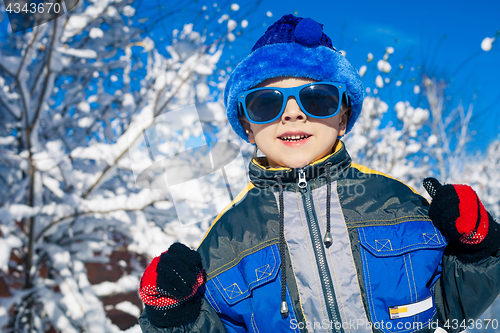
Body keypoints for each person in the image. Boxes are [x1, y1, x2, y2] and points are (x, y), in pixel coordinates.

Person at [138, 14, 500, 333]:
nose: (293, 113)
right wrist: (176, 318)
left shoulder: (398, 204)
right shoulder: (227, 240)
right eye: (266, 103)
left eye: (317, 98)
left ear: (343, 117)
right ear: (247, 126)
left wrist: (478, 247)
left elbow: (453, 309)